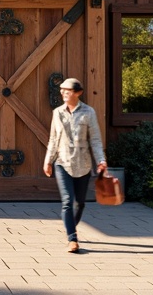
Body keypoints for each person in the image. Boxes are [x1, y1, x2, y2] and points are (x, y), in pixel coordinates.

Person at [43, 77, 106, 253]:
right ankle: (72, 238)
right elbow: (53, 138)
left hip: (83, 164)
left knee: (80, 204)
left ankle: (70, 224)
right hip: (62, 162)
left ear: (78, 93)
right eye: (62, 89)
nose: (63, 92)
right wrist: (48, 160)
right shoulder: (57, 112)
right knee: (67, 202)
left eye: (68, 90)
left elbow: (95, 140)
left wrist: (101, 160)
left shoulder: (88, 112)